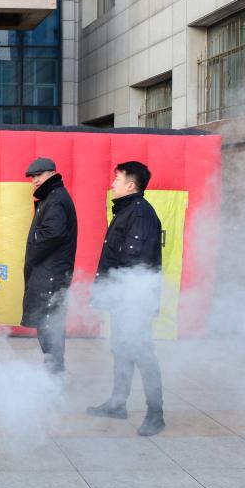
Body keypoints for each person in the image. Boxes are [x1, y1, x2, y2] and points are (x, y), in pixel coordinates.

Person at [86, 161, 166, 437]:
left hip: (134, 300)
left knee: (142, 353)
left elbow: (135, 264)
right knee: (121, 349)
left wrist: (127, 301)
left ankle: (156, 413)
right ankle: (118, 403)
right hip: (123, 299)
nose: (112, 184)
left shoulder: (139, 213)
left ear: (131, 185)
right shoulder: (127, 211)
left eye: (117, 180)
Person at [20, 157, 78, 375]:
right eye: (32, 177)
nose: (35, 180)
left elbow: (53, 234)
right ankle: (52, 375)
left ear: (52, 174)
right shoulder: (52, 197)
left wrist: (33, 248)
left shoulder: (55, 199)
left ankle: (54, 378)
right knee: (47, 329)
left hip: (51, 276)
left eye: (39, 175)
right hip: (49, 275)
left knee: (50, 329)